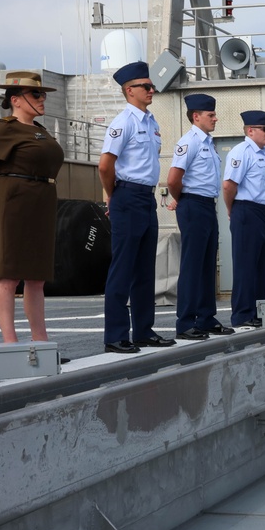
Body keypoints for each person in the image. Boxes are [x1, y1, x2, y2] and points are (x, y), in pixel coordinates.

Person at [0, 71, 64, 345]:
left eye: (43, 94)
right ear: (15, 99)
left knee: (36, 277)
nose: (42, 99)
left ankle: (41, 342)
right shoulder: (4, 129)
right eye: (36, 94)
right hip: (13, 201)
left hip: (41, 201)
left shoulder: (42, 130)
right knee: (9, 275)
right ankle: (10, 343)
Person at [99, 61, 176, 354]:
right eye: (145, 86)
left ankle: (143, 330)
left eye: (150, 85)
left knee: (145, 268)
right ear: (129, 91)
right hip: (126, 195)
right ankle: (115, 335)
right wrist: (112, 195)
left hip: (146, 197)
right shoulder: (123, 123)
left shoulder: (152, 122)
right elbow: (105, 165)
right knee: (123, 267)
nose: (151, 90)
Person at [166, 93, 234, 340]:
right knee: (192, 265)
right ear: (196, 116)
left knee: (207, 264)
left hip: (207, 205)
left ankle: (206, 318)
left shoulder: (208, 142)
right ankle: (185, 322)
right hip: (193, 204)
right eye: (210, 115)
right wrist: (183, 199)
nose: (215, 118)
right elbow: (174, 179)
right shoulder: (190, 141)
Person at [222, 110, 265, 327]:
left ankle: (260, 312)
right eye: (264, 129)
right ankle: (242, 315)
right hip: (246, 210)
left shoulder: (264, 154)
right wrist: (232, 210)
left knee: (262, 265)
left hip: (264, 212)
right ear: (250, 130)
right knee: (246, 265)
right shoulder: (241, 152)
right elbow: (229, 185)